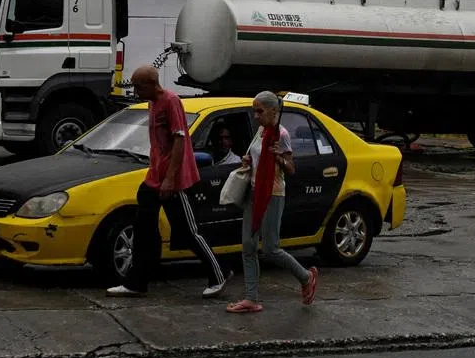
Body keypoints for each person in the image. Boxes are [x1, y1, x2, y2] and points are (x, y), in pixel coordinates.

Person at [107, 65, 228, 298]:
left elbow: (180, 140)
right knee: (144, 230)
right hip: (154, 177)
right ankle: (136, 282)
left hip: (172, 180)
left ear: (153, 84)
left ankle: (219, 274)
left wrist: (170, 179)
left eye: (139, 86)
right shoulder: (152, 103)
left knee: (187, 231)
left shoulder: (171, 101)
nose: (136, 91)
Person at [226, 91, 318, 313]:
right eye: (254, 111)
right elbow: (255, 156)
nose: (256, 116)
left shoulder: (281, 134)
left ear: (273, 111)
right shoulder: (260, 131)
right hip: (254, 192)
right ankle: (251, 298)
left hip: (273, 193)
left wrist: (279, 157)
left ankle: (306, 277)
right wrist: (248, 160)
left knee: (270, 249)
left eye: (260, 111)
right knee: (248, 246)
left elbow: (291, 168)